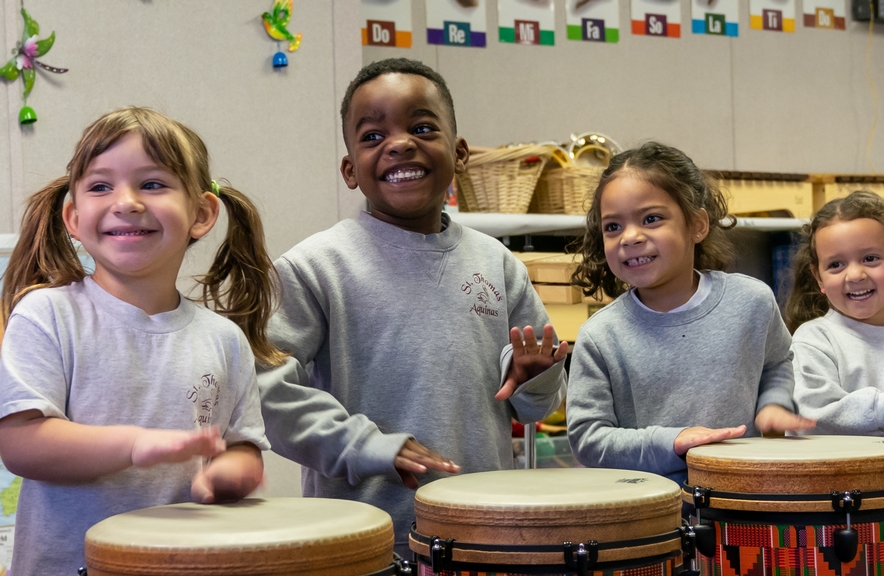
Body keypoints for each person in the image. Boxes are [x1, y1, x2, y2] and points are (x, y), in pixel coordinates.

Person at [257, 57, 568, 554]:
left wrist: (538, 377)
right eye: (373, 136)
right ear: (349, 170)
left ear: (460, 153)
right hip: (367, 541)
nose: (400, 143)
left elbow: (537, 405)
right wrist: (368, 447)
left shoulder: (497, 262)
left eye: (422, 127)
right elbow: (264, 393)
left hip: (485, 534)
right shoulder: (314, 267)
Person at [0, 107, 278, 574]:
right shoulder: (48, 315)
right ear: (73, 216)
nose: (126, 202)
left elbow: (243, 446)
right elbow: (21, 444)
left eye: (152, 184)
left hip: (184, 563)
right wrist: (134, 445)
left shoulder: (224, 339)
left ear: (203, 213)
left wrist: (234, 473)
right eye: (100, 186)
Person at [565, 141, 814, 485]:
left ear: (697, 225)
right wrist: (673, 441)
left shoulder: (752, 301)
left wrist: (773, 404)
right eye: (613, 227)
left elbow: (776, 364)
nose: (630, 237)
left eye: (651, 219)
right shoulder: (600, 335)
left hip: (744, 503)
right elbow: (589, 439)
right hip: (651, 514)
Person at [786, 190, 884, 446]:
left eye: (870, 258)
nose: (854, 275)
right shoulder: (813, 340)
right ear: (819, 277)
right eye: (836, 265)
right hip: (827, 483)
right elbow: (815, 416)